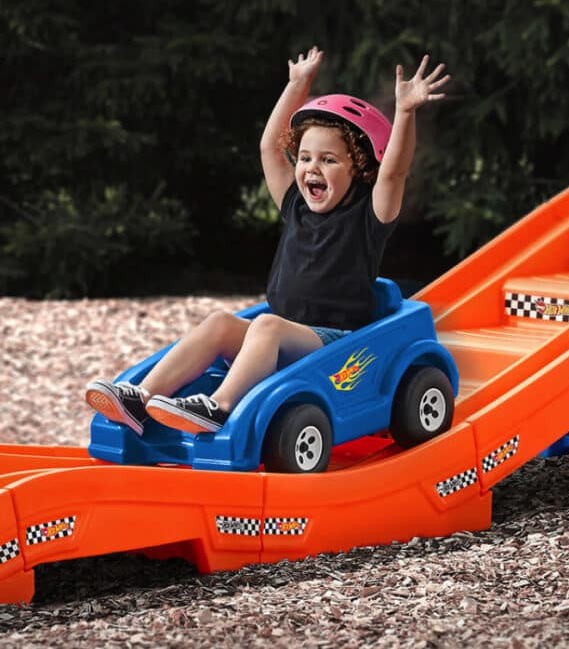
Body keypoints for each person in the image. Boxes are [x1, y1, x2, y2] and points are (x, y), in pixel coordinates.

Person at [85, 46, 450, 437]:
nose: (312, 167)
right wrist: (297, 84)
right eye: (305, 157)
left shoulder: (368, 216)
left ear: (359, 168)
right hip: (280, 333)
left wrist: (406, 113)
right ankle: (140, 399)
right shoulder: (296, 206)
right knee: (220, 323)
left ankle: (219, 407)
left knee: (266, 327)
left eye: (329, 160)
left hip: (332, 344)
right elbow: (268, 148)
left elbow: (393, 174)